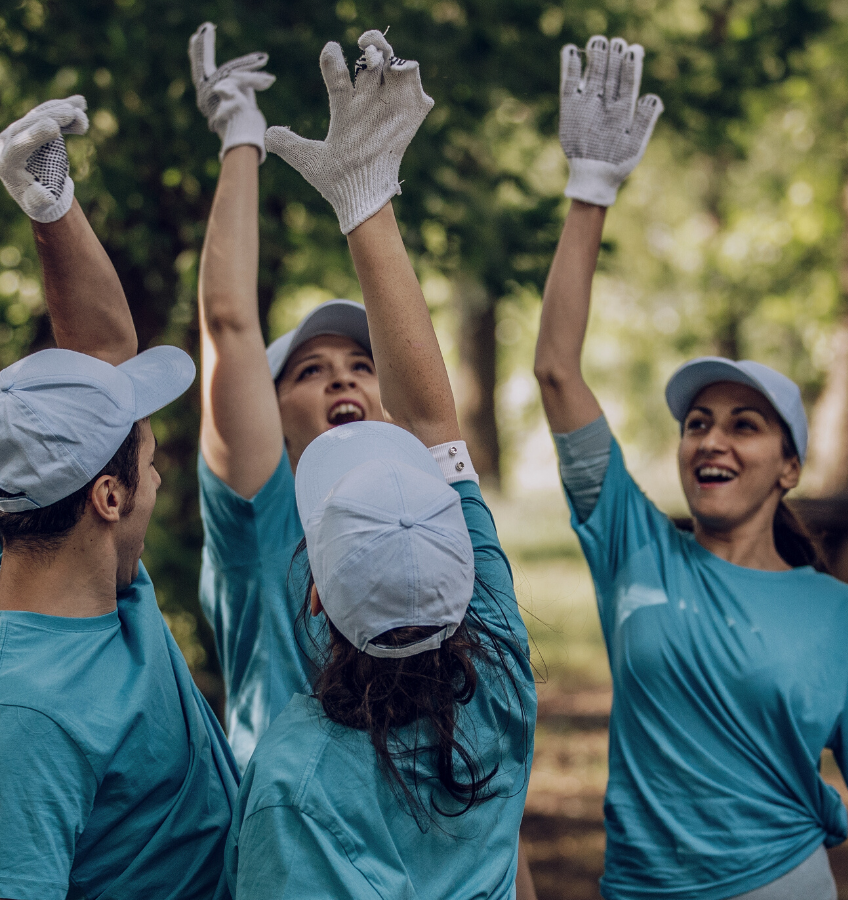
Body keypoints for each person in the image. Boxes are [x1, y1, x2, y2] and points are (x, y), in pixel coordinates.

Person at [533, 34, 848, 900]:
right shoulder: (630, 544)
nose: (712, 441)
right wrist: (590, 190)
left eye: (745, 427)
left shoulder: (842, 618)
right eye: (699, 424)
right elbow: (557, 370)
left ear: (788, 466)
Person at [222, 30, 537, 900]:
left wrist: (360, 196)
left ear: (317, 593)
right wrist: (368, 198)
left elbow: (430, 422)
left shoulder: (293, 777)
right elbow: (435, 419)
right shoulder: (505, 679)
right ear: (467, 566)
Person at [0, 98, 238, 900]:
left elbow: (104, 354)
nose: (158, 477)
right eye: (146, 464)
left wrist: (52, 202)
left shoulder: (54, 550)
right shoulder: (25, 718)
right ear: (107, 495)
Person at [186, 21, 383, 768]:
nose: (342, 376)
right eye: (308, 371)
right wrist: (243, 139)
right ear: (268, 415)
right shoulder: (260, 523)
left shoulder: (424, 515)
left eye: (361, 365)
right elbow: (230, 325)